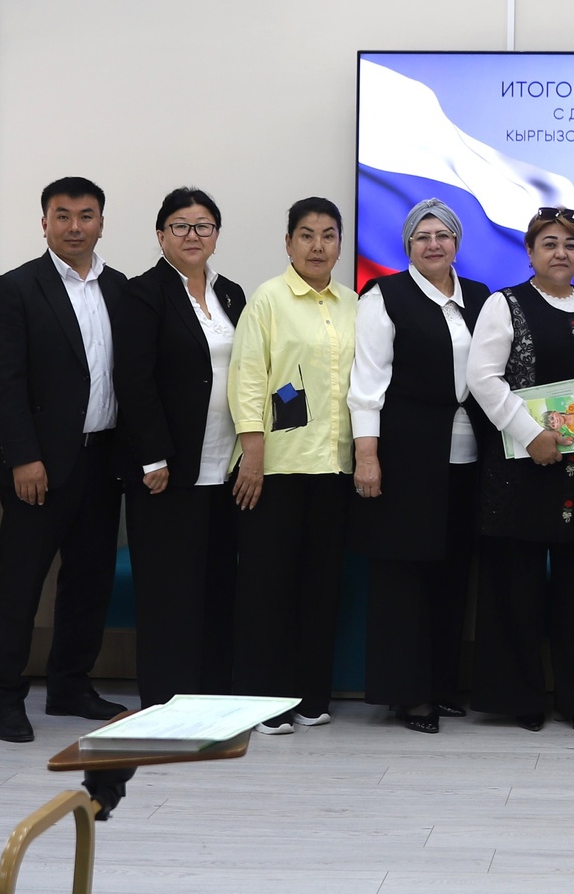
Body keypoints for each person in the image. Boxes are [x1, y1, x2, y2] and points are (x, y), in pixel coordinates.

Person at [463, 207, 574, 732]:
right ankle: (519, 700)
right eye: (549, 244)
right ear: (530, 252)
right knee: (514, 586)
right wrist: (530, 433)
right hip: (521, 466)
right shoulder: (505, 304)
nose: (561, 253)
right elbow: (482, 378)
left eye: (570, 244)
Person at [0, 177, 134, 744]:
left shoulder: (120, 288)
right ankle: (4, 697)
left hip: (102, 459)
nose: (75, 226)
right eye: (62, 216)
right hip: (39, 466)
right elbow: (6, 382)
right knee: (20, 584)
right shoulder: (16, 288)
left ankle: (71, 685)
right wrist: (23, 458)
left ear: (101, 223)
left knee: (89, 582)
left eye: (86, 215)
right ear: (44, 223)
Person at [350, 199, 493, 732]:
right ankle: (406, 695)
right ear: (407, 245)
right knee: (404, 576)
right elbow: (367, 384)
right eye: (422, 236)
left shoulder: (480, 296)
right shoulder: (383, 296)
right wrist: (367, 456)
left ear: (457, 242)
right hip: (405, 456)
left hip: (469, 457)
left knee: (452, 574)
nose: (433, 244)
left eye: (442, 235)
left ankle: (439, 685)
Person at [228, 196, 357, 735]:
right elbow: (248, 378)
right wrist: (253, 456)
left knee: (320, 587)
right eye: (306, 235)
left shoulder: (353, 304)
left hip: (334, 467)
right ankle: (263, 700)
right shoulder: (268, 299)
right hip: (275, 469)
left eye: (328, 236)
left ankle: (310, 696)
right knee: (268, 588)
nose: (317, 246)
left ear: (340, 245)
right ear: (288, 243)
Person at [115, 187, 248, 711]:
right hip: (168, 469)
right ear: (161, 234)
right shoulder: (143, 293)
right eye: (181, 225)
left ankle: (212, 695)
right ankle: (166, 701)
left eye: (203, 226)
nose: (193, 235)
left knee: (217, 584)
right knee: (169, 590)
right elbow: (134, 380)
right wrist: (153, 456)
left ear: (216, 234)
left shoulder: (231, 293)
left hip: (226, 465)